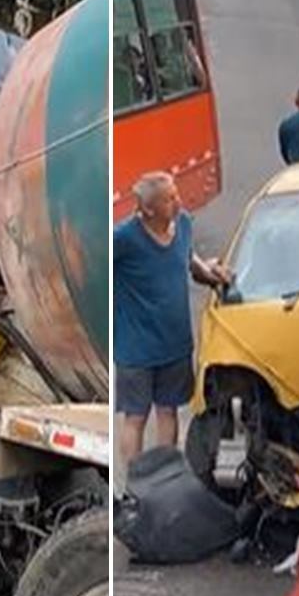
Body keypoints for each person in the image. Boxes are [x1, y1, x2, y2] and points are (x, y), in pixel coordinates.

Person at [113, 172, 233, 464]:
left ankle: (165, 476)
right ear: (148, 209)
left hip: (174, 344)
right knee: (136, 417)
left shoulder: (183, 224)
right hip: (136, 351)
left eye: (176, 195)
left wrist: (211, 274)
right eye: (169, 199)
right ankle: (134, 486)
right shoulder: (124, 239)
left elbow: (188, 259)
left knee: (168, 411)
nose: (178, 202)